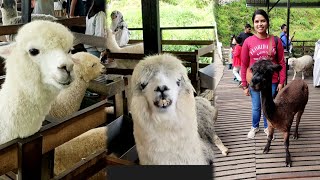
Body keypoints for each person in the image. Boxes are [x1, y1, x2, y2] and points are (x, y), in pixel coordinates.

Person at [240, 9, 286, 139]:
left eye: (263, 21)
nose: (260, 24)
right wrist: (244, 85)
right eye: (256, 21)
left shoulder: (276, 40)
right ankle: (255, 126)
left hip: (271, 80)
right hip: (255, 80)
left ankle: (267, 126)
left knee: (268, 104)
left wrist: (281, 81)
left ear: (267, 22)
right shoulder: (248, 42)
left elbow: (281, 62)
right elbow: (244, 64)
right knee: (256, 106)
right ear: (253, 24)